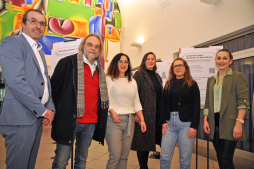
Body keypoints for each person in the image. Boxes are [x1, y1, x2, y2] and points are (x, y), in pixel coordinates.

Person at [0, 9, 55, 169]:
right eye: (33, 21)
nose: (38, 26)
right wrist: (43, 110)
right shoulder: (12, 42)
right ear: (23, 24)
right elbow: (18, 83)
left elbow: (45, 82)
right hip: (20, 119)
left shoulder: (39, 51)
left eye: (42, 23)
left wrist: (49, 108)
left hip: (35, 118)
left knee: (28, 165)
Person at [50, 33, 109, 168]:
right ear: (83, 46)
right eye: (89, 44)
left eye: (96, 46)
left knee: (81, 161)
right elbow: (54, 89)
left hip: (90, 123)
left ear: (99, 50)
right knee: (61, 162)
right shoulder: (67, 63)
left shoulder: (100, 71)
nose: (93, 48)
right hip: (69, 121)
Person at [203, 49, 249, 169]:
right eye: (218, 58)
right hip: (214, 123)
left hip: (230, 123)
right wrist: (205, 120)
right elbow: (208, 102)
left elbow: (243, 101)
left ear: (230, 60)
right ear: (215, 61)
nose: (221, 61)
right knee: (219, 156)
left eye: (224, 58)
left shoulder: (238, 76)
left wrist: (239, 123)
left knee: (226, 159)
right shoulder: (211, 80)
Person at [105, 53, 147, 169]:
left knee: (124, 156)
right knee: (115, 156)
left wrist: (142, 120)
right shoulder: (109, 78)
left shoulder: (132, 81)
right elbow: (105, 98)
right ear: (115, 63)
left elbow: (136, 102)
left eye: (126, 62)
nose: (123, 64)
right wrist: (111, 111)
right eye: (120, 61)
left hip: (129, 121)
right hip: (113, 121)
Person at [160, 58, 200, 169]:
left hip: (186, 125)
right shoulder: (168, 84)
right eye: (175, 66)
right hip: (169, 124)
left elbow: (197, 106)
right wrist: (163, 121)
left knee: (185, 159)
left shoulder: (192, 84)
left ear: (185, 68)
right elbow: (162, 104)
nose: (178, 68)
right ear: (172, 69)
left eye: (180, 65)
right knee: (165, 157)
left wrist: (194, 126)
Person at [131, 52, 163, 169]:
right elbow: (133, 95)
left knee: (150, 142)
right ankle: (143, 167)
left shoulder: (158, 76)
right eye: (148, 59)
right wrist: (136, 114)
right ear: (144, 61)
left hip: (156, 116)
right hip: (143, 116)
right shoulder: (138, 75)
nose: (151, 61)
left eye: (153, 59)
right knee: (142, 144)